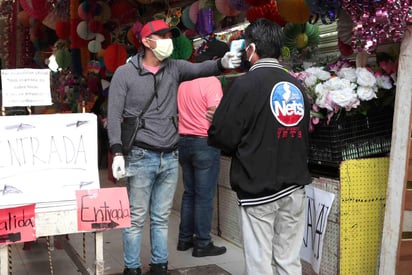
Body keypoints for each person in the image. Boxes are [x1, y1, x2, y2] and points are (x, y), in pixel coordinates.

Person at [107, 19, 240, 275]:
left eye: (170, 35)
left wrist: (221, 64)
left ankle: (160, 265)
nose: (168, 40)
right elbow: (114, 116)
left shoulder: (174, 68)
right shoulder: (125, 74)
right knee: (136, 219)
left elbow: (201, 69)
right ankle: (132, 268)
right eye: (162, 35)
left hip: (170, 155)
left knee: (160, 217)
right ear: (147, 41)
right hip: (140, 154)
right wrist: (117, 151)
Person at [208, 18, 312, 275]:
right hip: (295, 185)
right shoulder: (296, 86)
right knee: (289, 260)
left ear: (252, 49)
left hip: (259, 188)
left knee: (259, 264)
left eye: (245, 47)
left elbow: (223, 136)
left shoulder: (244, 84)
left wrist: (218, 119)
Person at [176, 38, 228, 257]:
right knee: (204, 195)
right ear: (216, 60)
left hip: (183, 142)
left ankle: (184, 239)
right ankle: (203, 243)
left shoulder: (184, 82)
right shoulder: (212, 81)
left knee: (189, 193)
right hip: (204, 143)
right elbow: (214, 114)